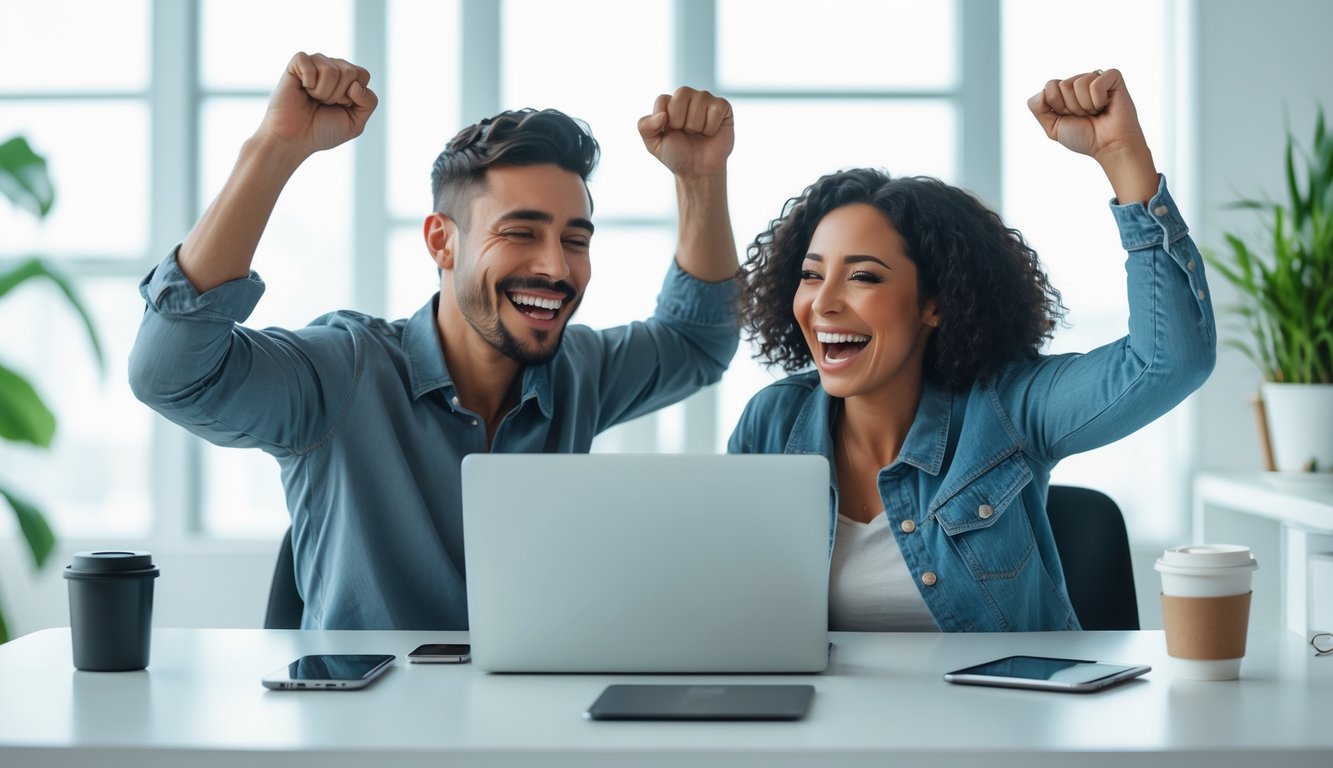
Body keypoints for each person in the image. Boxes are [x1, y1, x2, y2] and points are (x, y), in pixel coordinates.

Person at [129, 53, 740, 629]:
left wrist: (701, 179)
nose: (556, 267)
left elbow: (697, 341)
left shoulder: (577, 371)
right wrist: (274, 148)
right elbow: (170, 374)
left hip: (521, 706)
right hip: (367, 709)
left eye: (575, 240)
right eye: (520, 233)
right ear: (442, 242)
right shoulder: (343, 374)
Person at [728, 69, 1215, 632]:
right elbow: (733, 606)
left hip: (1002, 693)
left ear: (935, 304)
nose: (823, 303)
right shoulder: (773, 423)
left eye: (863, 276)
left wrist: (1123, 156)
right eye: (811, 275)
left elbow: (1168, 361)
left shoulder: (1004, 410)